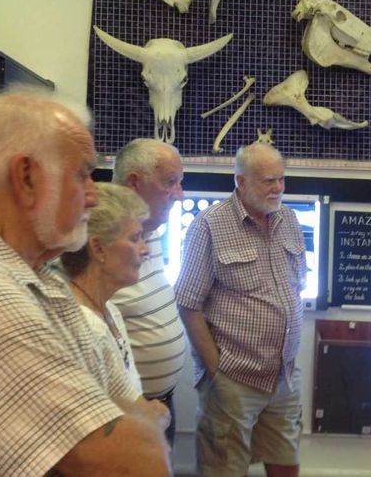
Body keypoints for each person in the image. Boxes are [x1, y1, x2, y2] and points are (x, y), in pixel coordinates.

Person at [0, 87, 172, 476]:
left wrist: (130, 422)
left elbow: (121, 406)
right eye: (81, 175)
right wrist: (142, 427)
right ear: (25, 177)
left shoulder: (39, 278)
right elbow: (134, 461)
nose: (93, 196)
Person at [175, 142, 306, 477]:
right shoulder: (209, 225)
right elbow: (188, 303)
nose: (277, 188)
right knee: (225, 469)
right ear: (241, 181)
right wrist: (216, 370)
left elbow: (295, 286)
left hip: (284, 376)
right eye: (267, 180)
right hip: (233, 378)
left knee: (286, 463)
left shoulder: (290, 220)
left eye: (281, 179)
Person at [110, 138, 187, 446]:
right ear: (134, 184)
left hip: (160, 404)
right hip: (125, 413)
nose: (180, 195)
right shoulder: (101, 242)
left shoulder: (151, 230)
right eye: (170, 183)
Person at [61, 182, 151, 394]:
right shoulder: (83, 325)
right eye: (135, 238)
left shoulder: (110, 310)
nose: (145, 250)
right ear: (98, 248)